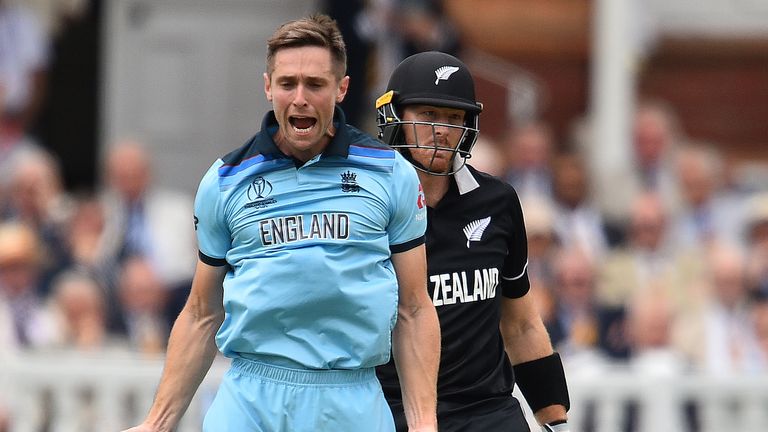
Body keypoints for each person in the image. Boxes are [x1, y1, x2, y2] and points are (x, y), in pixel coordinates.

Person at [123, 14, 439, 432]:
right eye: (288, 83)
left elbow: (415, 309)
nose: (300, 98)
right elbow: (201, 314)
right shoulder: (224, 181)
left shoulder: (390, 173)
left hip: (351, 399)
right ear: (268, 86)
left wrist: (423, 424)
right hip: (250, 397)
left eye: (316, 84)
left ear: (342, 89)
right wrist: (157, 423)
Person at [374, 51, 570, 432]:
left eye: (453, 117)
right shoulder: (365, 208)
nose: (441, 130)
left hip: (487, 411)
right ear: (394, 116)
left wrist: (555, 421)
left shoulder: (498, 201)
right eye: (427, 115)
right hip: (390, 410)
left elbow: (521, 323)